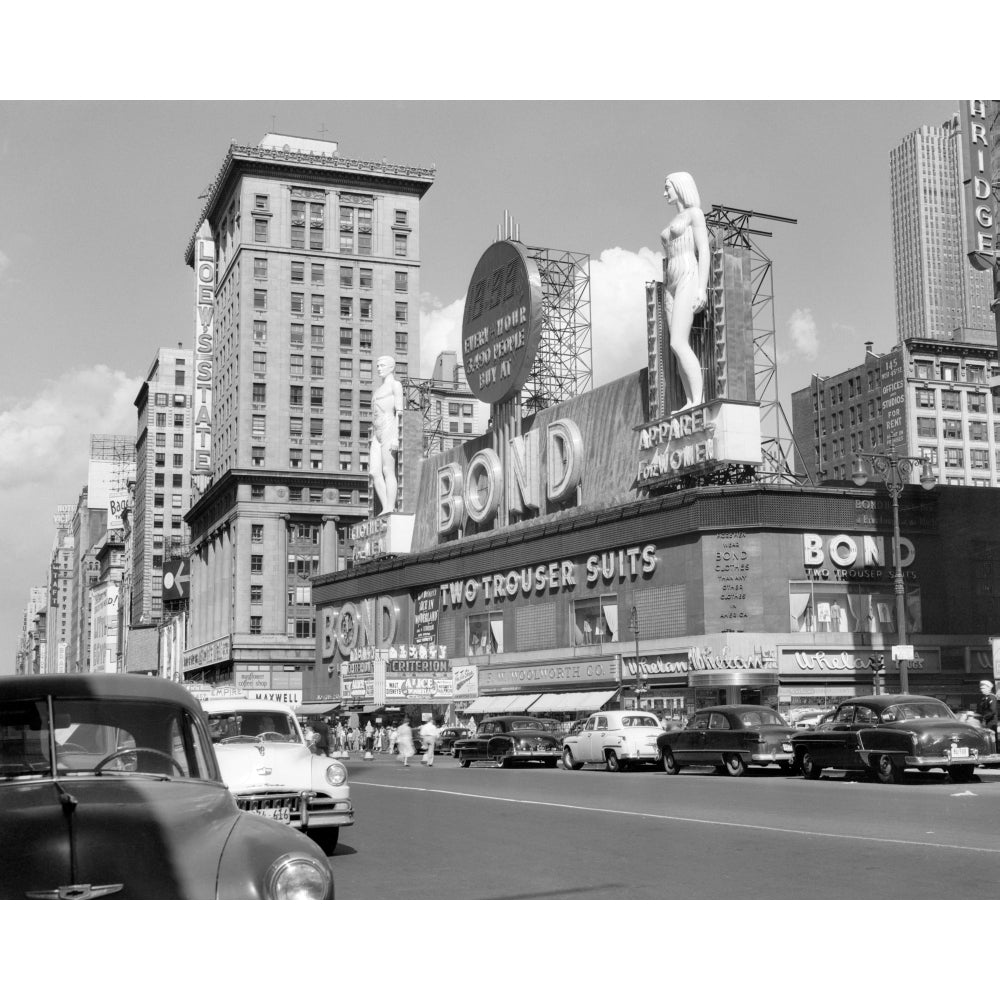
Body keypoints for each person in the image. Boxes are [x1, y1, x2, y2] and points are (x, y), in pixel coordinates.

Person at [661, 171, 710, 413]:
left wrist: (702, 287)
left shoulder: (694, 214)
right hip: (670, 282)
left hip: (688, 276)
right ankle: (690, 401)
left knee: (680, 343)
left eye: (667, 187)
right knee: (674, 345)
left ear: (680, 187)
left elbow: (705, 251)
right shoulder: (678, 217)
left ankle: (697, 400)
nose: (665, 192)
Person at [370, 355, 404, 516]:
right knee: (374, 472)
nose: (379, 368)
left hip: (389, 427)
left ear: (391, 367)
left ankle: (390, 507)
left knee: (387, 469)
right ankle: (385, 507)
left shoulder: (395, 385)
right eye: (377, 365)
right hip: (376, 432)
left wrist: (397, 437)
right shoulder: (377, 390)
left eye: (382, 365)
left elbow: (399, 412)